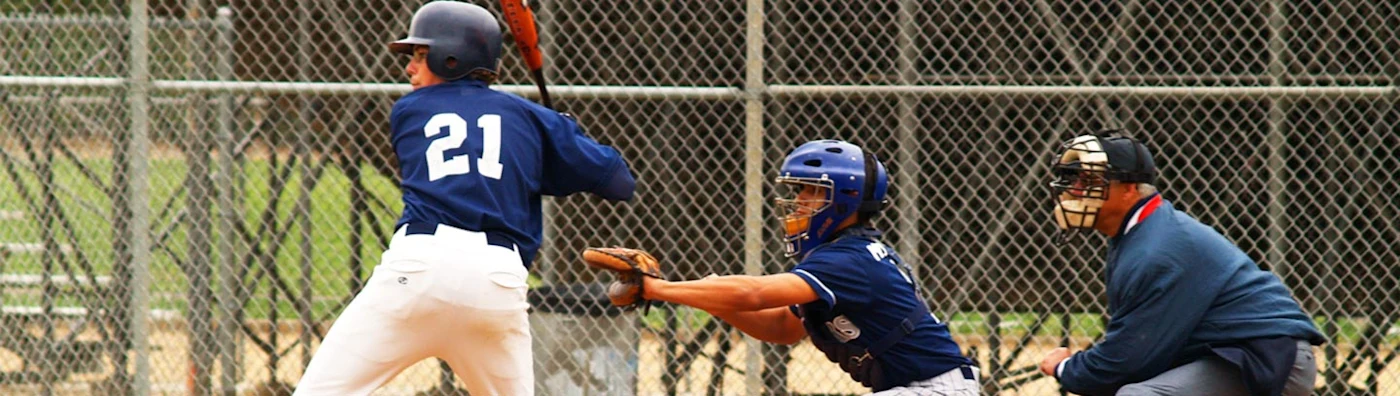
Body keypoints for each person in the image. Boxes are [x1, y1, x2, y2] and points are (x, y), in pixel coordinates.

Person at [294, 1, 636, 394]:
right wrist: (562, 134)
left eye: (421, 56)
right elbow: (618, 183)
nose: (410, 69)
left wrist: (545, 138)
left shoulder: (409, 110)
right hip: (496, 285)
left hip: (418, 275)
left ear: (451, 58)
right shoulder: (529, 117)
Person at [610, 140, 979, 395]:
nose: (798, 202)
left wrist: (658, 288)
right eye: (798, 191)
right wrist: (709, 298)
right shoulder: (845, 253)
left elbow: (753, 293)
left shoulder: (849, 260)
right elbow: (782, 327)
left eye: (810, 192)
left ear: (844, 201)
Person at [1039, 131, 1324, 396]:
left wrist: (1065, 368)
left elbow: (1127, 358)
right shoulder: (1140, 233)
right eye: (1074, 180)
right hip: (1236, 355)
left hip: (1264, 358)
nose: (1074, 190)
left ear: (1129, 189)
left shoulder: (1157, 248)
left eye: (1089, 182)